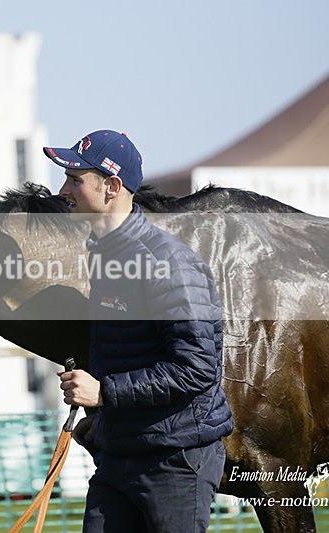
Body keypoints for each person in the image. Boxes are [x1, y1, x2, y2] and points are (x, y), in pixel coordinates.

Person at [43, 130, 234, 532]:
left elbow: (197, 368)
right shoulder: (106, 257)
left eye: (75, 180)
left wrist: (104, 392)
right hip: (118, 455)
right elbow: (126, 350)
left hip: (175, 460)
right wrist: (102, 416)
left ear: (111, 187)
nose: (64, 191)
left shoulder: (169, 263)